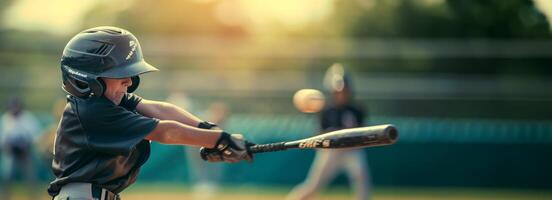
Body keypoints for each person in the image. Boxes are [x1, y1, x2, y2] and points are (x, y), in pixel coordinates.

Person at [48, 26, 253, 200]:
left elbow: (160, 110)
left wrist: (208, 129)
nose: (129, 81)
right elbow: (165, 132)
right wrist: (219, 140)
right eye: (120, 75)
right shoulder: (93, 112)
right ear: (86, 79)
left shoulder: (110, 102)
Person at [286, 63, 372, 200]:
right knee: (313, 186)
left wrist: (349, 137)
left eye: (344, 91)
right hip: (330, 152)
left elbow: (364, 135)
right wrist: (331, 137)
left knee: (361, 179)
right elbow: (319, 134)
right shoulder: (327, 110)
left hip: (352, 150)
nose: (341, 94)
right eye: (338, 91)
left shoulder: (357, 109)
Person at [0, 96, 41, 200]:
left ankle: (34, 196)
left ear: (20, 107)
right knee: (7, 176)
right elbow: (2, 140)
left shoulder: (28, 118)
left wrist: (26, 145)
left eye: (16, 106)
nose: (14, 108)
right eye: (12, 106)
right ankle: (5, 196)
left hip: (25, 153)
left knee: (30, 176)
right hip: (11, 153)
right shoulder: (5, 119)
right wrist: (9, 146)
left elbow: (36, 136)